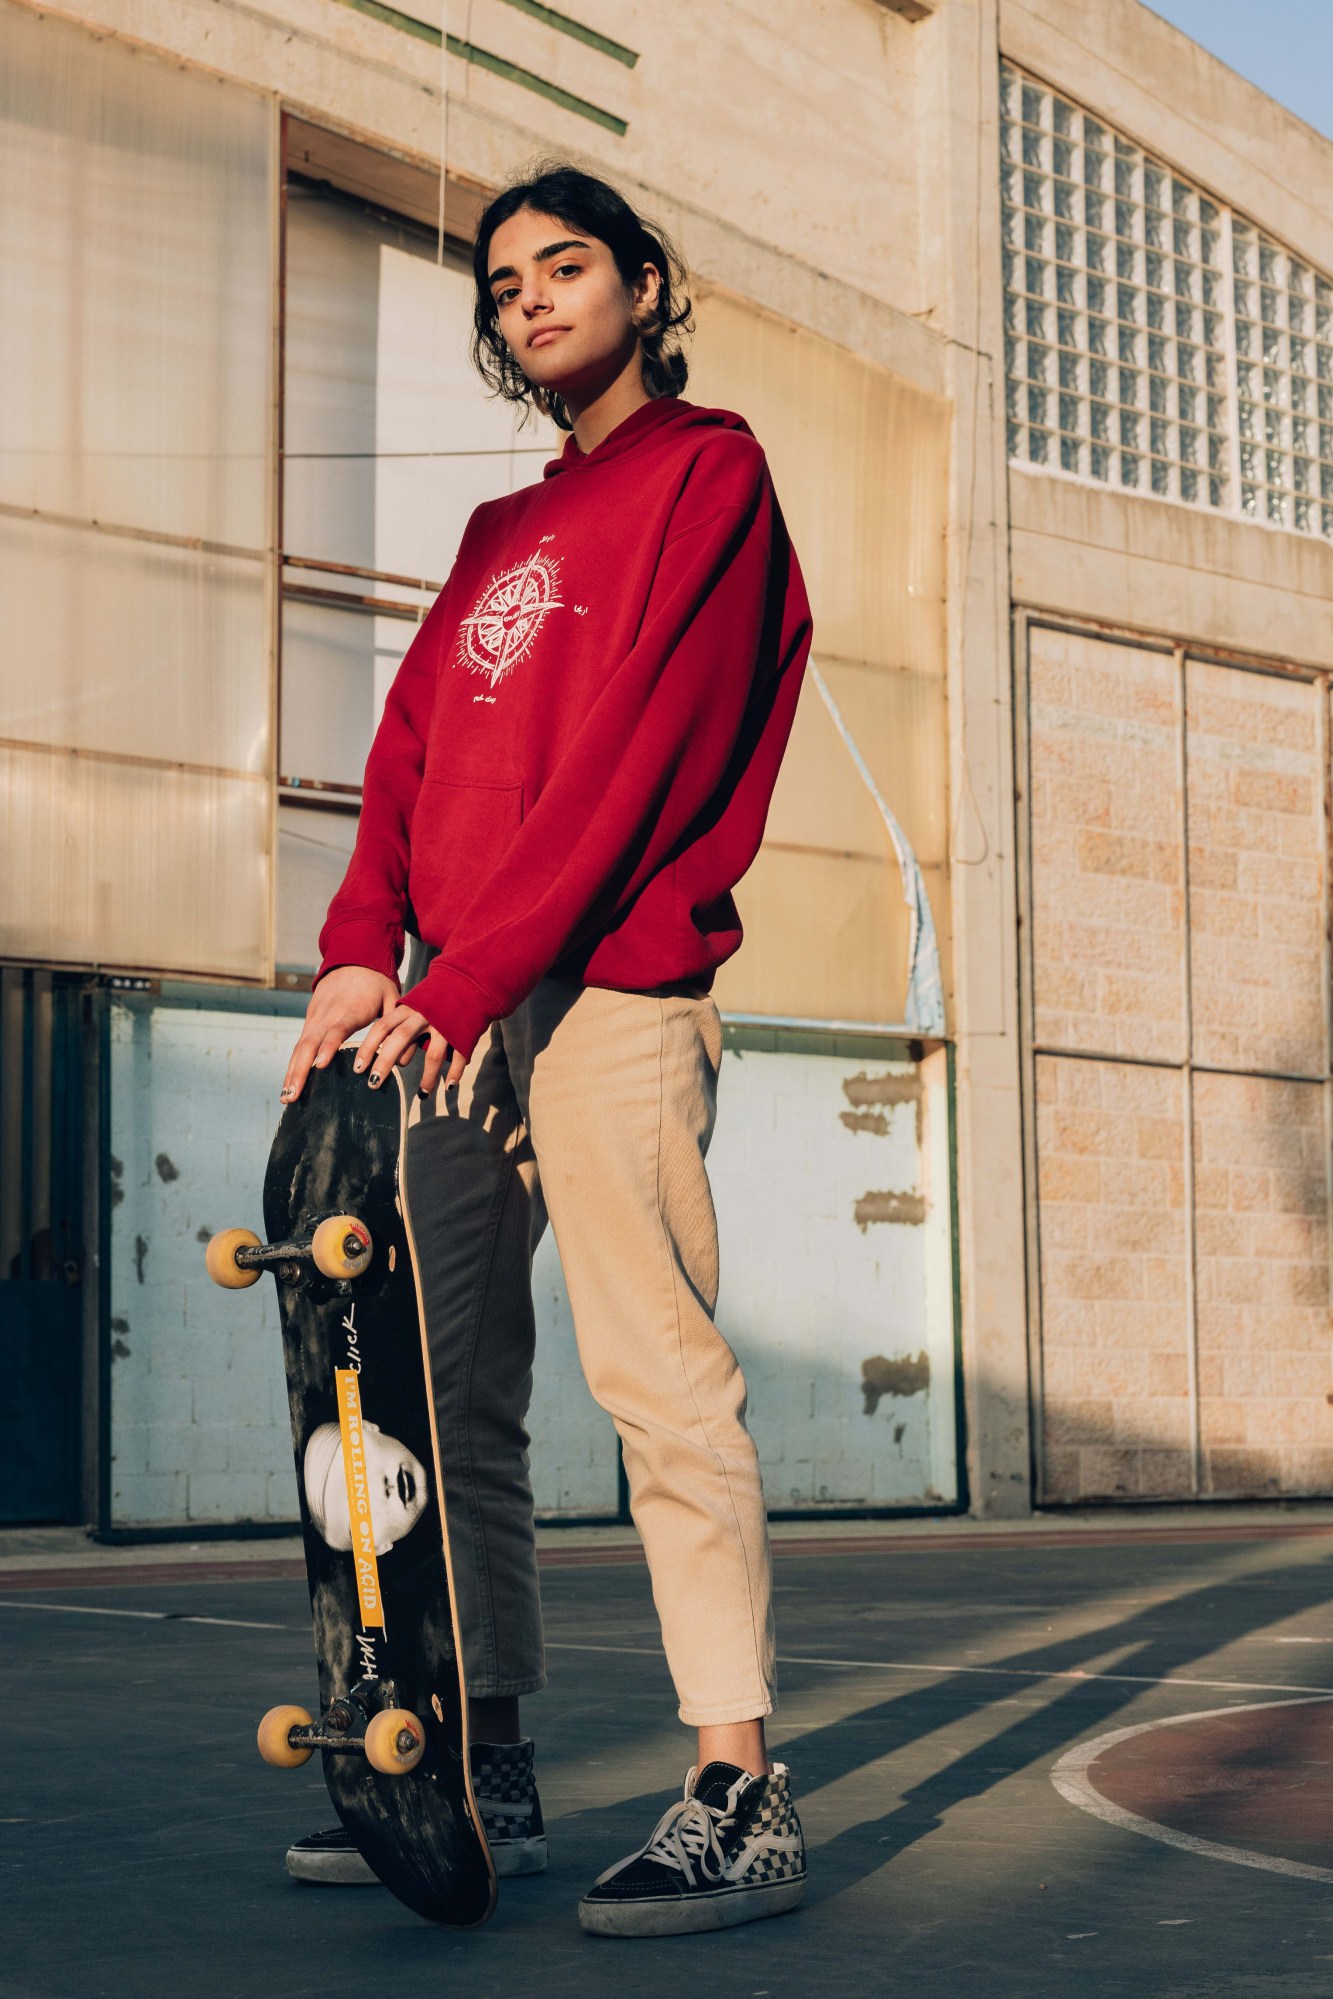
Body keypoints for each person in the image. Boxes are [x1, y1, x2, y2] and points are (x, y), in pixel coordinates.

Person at [279, 161, 812, 1936]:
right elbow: (408, 750)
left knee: (659, 1388)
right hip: (454, 1007)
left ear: (644, 284)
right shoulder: (498, 537)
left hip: (615, 993)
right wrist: (370, 951)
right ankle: (476, 1757)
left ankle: (737, 1789)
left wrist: (467, 968)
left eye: (563, 265)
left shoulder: (708, 477)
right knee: (449, 1405)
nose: (528, 299)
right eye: (502, 282)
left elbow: (639, 766)